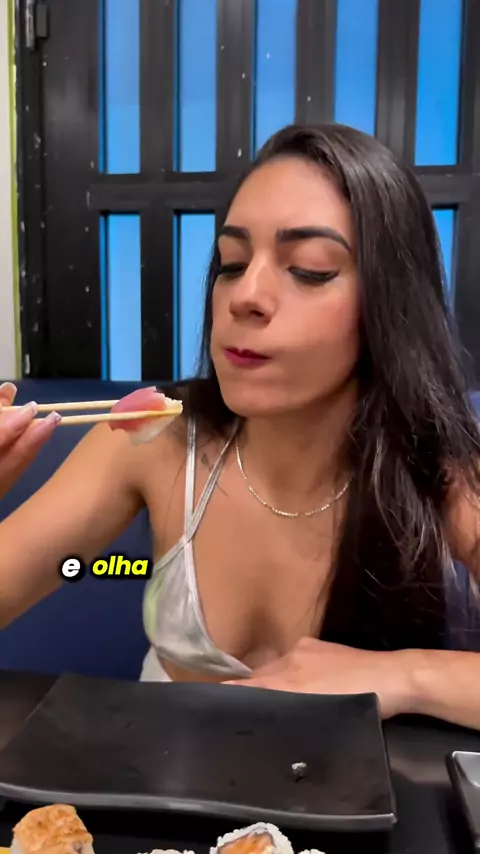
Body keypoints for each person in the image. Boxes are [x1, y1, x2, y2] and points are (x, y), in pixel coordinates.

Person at [1, 124, 480, 729]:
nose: (244, 296)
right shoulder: (152, 438)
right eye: (231, 263)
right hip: (159, 777)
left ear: (390, 304)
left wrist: (409, 675)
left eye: (308, 269)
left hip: (346, 784)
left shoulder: (441, 471)